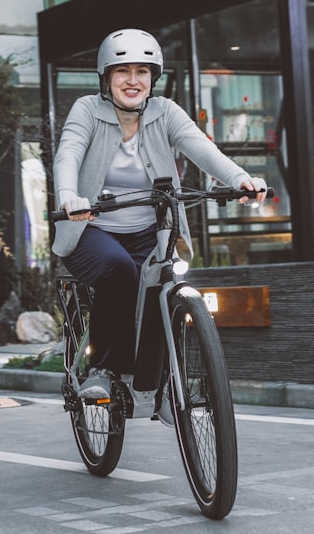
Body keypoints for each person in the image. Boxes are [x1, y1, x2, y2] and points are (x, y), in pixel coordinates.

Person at [53, 28, 266, 401]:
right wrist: (70, 196)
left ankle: (166, 382)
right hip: (91, 227)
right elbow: (68, 152)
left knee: (165, 285)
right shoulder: (87, 110)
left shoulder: (165, 111)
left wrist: (240, 178)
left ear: (153, 78)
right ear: (106, 77)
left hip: (152, 229)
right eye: (123, 71)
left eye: (142, 71)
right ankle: (101, 367)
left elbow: (200, 147)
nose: (133, 81)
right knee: (119, 269)